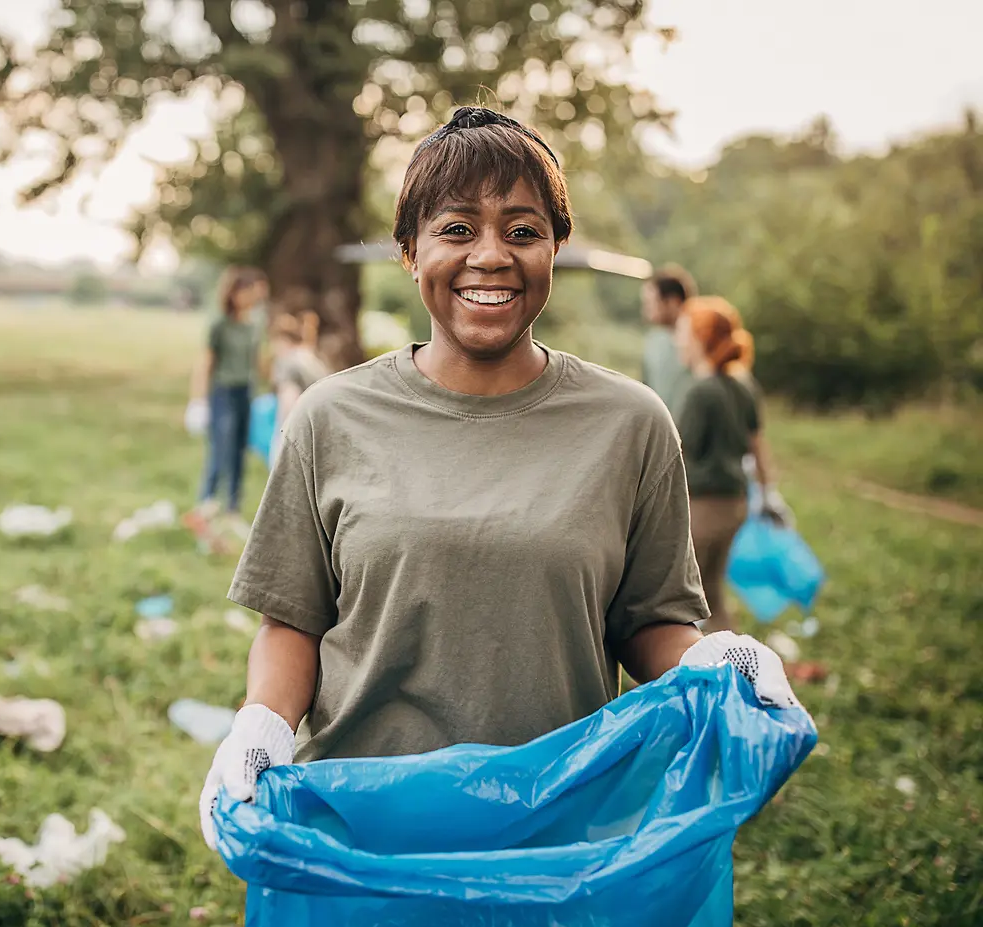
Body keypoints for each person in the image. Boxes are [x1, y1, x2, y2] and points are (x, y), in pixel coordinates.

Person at [196, 107, 802, 848]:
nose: (492, 255)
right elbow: (292, 619)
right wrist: (261, 722)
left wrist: (707, 657)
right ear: (409, 252)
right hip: (366, 827)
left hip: (557, 831)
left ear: (556, 247)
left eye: (522, 231)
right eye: (456, 229)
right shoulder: (330, 417)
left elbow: (649, 621)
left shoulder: (631, 423)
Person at [673, 296, 788, 632]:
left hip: (702, 510)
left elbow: (675, 456)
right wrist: (769, 494)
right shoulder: (743, 386)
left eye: (682, 331)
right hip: (735, 505)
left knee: (676, 601)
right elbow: (758, 445)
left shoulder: (701, 393)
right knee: (711, 595)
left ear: (699, 338)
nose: (677, 340)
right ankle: (733, 669)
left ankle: (682, 675)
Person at [183, 266, 269, 525]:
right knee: (221, 449)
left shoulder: (254, 323)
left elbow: (257, 361)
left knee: (239, 451)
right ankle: (206, 503)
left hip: (246, 392)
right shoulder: (219, 323)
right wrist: (197, 400)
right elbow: (206, 363)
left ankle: (232, 508)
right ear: (234, 292)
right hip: (223, 392)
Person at [265, 310, 329, 469]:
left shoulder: (287, 364)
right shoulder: (311, 359)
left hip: (295, 430)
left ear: (282, 340)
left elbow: (289, 399)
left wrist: (283, 435)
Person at [639, 265, 696, 416]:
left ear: (672, 302)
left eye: (651, 304)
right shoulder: (653, 342)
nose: (646, 311)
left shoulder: (700, 340)